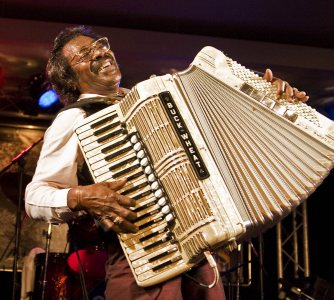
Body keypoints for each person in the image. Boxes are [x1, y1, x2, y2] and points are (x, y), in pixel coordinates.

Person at [25, 25, 309, 300]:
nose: (99, 54)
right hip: (144, 259)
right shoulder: (75, 119)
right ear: (70, 78)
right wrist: (79, 196)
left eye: (100, 46)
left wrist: (271, 102)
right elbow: (34, 196)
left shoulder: (154, 98)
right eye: (84, 55)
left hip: (202, 260)